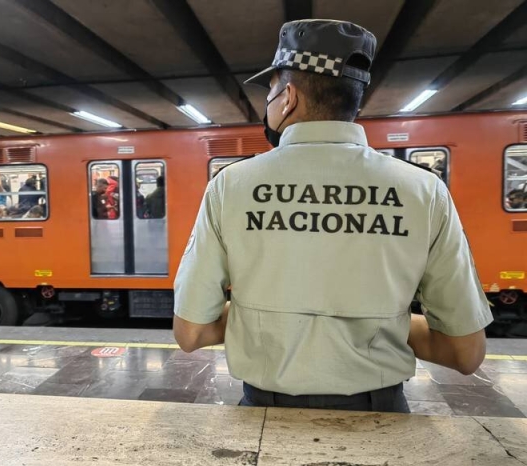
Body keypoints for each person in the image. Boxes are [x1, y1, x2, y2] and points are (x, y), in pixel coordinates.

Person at [173, 19, 493, 413]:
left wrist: (269, 317)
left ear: (288, 97)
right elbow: (465, 352)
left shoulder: (230, 186)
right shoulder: (425, 191)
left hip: (263, 417)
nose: (268, 100)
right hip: (382, 418)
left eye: (270, 89)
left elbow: (190, 332)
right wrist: (379, 321)